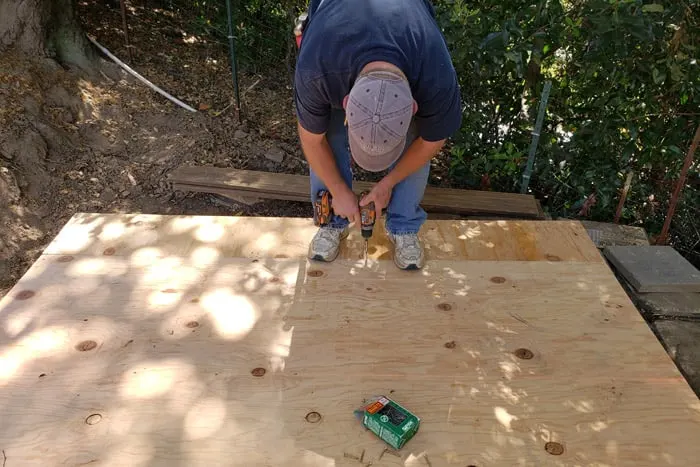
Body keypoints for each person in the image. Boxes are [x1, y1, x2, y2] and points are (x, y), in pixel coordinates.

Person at [294, 0, 462, 270]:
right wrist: (338, 191)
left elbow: (430, 141)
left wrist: (387, 184)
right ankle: (331, 222)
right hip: (334, 32)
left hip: (408, 30)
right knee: (330, 131)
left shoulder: (434, 75)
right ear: (346, 102)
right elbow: (313, 140)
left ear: (414, 106)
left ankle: (404, 226)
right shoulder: (317, 68)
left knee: (417, 137)